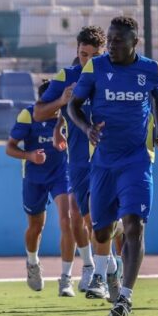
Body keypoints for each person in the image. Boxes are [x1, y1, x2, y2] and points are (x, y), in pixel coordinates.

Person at [68, 16, 158, 316]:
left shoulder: (151, 70)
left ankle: (124, 297)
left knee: (135, 224)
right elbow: (74, 105)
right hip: (103, 162)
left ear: (134, 43)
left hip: (137, 160)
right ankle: (109, 268)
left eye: (118, 41)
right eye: (109, 40)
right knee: (101, 230)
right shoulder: (95, 68)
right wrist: (86, 128)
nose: (111, 45)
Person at [34, 26, 123, 299]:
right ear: (77, 52)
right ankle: (109, 265)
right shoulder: (67, 77)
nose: (88, 60)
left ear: (104, 52)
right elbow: (38, 113)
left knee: (98, 220)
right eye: (83, 54)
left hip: (109, 159)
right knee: (87, 220)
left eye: (94, 54)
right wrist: (62, 100)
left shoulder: (115, 75)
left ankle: (98, 274)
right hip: (79, 163)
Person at [7, 81, 76, 296]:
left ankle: (66, 279)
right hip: (34, 178)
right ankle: (32, 262)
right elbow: (9, 148)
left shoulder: (68, 115)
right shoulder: (28, 116)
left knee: (68, 220)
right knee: (36, 227)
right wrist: (29, 156)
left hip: (60, 175)